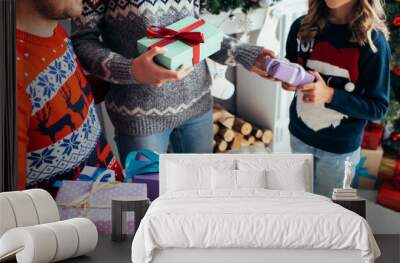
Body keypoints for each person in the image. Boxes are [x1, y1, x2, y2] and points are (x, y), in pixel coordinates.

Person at [71, 0, 274, 165]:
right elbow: (83, 40)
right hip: (140, 116)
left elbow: (197, 31)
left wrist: (245, 54)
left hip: (198, 106)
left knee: (199, 190)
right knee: (150, 201)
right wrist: (130, 69)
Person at [283, 0, 391, 197]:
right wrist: (287, 79)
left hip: (339, 151)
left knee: (329, 213)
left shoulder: (373, 41)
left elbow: (378, 107)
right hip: (299, 136)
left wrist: (330, 95)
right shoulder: (301, 27)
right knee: (299, 202)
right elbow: (292, 67)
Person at [16, 0, 121, 193]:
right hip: (78, 217)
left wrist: (132, 75)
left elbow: (70, 97)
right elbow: (13, 206)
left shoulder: (56, 34)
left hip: (107, 194)